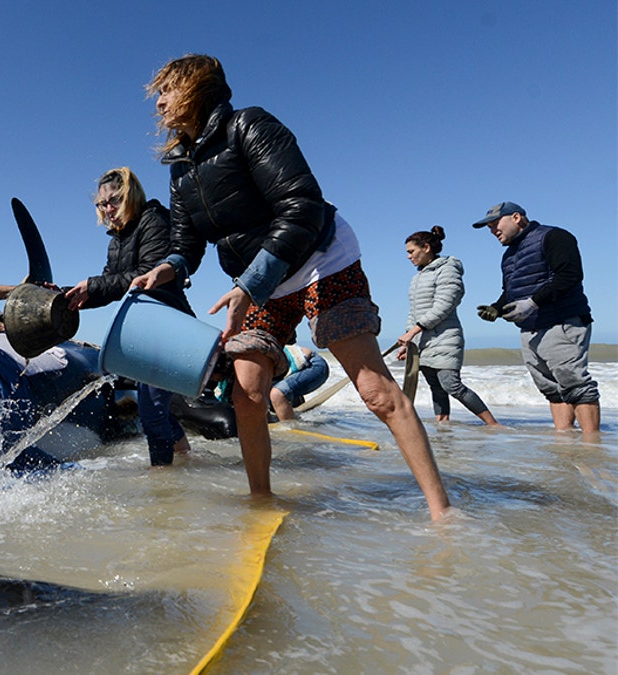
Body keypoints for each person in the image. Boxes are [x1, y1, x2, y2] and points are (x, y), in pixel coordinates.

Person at [130, 54, 451, 520]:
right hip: (260, 283)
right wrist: (169, 267)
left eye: (167, 89)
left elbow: (302, 208)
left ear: (197, 88)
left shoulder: (251, 126)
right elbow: (187, 243)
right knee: (246, 394)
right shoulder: (180, 168)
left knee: (376, 392)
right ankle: (262, 501)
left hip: (322, 259)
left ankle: (443, 513)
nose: (158, 101)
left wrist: (250, 284)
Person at [64, 167, 192, 466]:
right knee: (156, 410)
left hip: (170, 324)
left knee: (151, 415)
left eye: (115, 201)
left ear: (130, 196)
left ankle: (163, 488)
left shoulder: (153, 220)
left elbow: (146, 274)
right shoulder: (117, 240)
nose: (108, 209)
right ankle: (187, 464)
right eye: (102, 204)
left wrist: (93, 286)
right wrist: (68, 295)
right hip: (144, 331)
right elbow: (109, 285)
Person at [472, 201, 599, 434]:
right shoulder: (509, 255)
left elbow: (570, 275)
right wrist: (496, 309)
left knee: (575, 384)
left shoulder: (554, 236)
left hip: (562, 321)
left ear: (517, 217)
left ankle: (592, 443)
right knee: (550, 388)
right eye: (489, 227)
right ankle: (565, 438)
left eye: (495, 224)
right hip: (530, 328)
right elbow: (511, 292)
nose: (492, 231)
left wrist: (533, 303)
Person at [397, 227, 501, 427]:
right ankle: (442, 426)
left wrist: (413, 331)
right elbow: (414, 312)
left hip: (445, 337)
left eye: (411, 251)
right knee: (436, 388)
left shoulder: (447, 269)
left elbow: (444, 304)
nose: (408, 257)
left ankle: (493, 425)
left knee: (451, 385)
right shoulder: (417, 278)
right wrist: (407, 341)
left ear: (426, 247)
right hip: (423, 341)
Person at [270, 345, 330, 421]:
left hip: (312, 365)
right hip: (293, 371)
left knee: (277, 394)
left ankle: (290, 429)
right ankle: (294, 411)